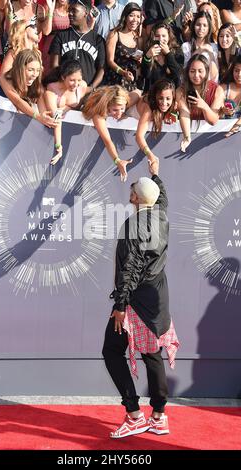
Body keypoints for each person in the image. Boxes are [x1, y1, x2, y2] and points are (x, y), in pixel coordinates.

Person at [102, 158, 179, 439]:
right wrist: (155, 175)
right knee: (152, 354)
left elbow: (129, 269)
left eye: (133, 190)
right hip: (158, 298)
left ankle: (134, 415)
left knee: (111, 351)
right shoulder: (162, 215)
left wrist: (120, 306)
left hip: (135, 301)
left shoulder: (133, 225)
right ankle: (159, 416)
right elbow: (162, 196)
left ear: (135, 198)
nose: (130, 193)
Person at [82, 84, 141, 182]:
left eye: (122, 108)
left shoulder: (125, 101)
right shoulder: (98, 112)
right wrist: (117, 160)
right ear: (108, 106)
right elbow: (107, 141)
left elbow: (138, 92)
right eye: (115, 110)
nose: (119, 113)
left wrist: (124, 112)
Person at [49, 0, 106, 88]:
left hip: (88, 92)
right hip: (65, 90)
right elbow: (54, 66)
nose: (70, 14)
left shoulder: (97, 40)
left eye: (74, 10)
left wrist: (91, 88)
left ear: (85, 13)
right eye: (69, 10)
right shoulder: (61, 36)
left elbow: (101, 69)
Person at [0, 48, 57, 128]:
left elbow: (43, 111)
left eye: (38, 70)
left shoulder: (36, 84)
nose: (35, 74)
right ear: (20, 68)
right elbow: (17, 101)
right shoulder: (4, 79)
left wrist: (45, 118)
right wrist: (38, 117)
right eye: (30, 70)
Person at [43, 59, 88, 164]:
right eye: (72, 80)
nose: (76, 84)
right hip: (48, 129)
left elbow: (76, 105)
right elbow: (56, 118)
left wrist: (66, 108)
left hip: (71, 130)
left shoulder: (83, 86)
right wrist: (58, 146)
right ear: (63, 77)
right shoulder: (51, 88)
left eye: (79, 80)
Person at [176, 53, 224, 152]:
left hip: (210, 143)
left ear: (207, 71)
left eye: (200, 71)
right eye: (192, 71)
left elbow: (213, 120)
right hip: (189, 138)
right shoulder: (181, 90)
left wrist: (204, 106)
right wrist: (187, 137)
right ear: (187, 72)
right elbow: (184, 113)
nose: (196, 75)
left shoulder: (217, 90)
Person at [104, 2, 143, 91]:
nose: (135, 20)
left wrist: (139, 61)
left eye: (138, 17)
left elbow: (138, 65)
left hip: (132, 81)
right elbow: (110, 61)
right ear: (125, 17)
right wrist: (123, 72)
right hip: (115, 80)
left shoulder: (139, 39)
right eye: (132, 15)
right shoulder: (114, 34)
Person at [136, 79, 178, 159]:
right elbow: (139, 136)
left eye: (168, 98)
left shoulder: (174, 105)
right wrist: (150, 156)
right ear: (155, 97)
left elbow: (175, 114)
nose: (164, 103)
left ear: (173, 98)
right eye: (160, 98)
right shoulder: (148, 110)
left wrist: (170, 114)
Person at [141, 22, 183, 91]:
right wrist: (147, 57)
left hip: (171, 93)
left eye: (164, 36)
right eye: (157, 36)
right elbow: (145, 75)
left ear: (169, 37)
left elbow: (177, 74)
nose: (160, 39)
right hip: (153, 92)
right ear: (153, 37)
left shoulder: (177, 51)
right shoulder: (149, 50)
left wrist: (168, 54)